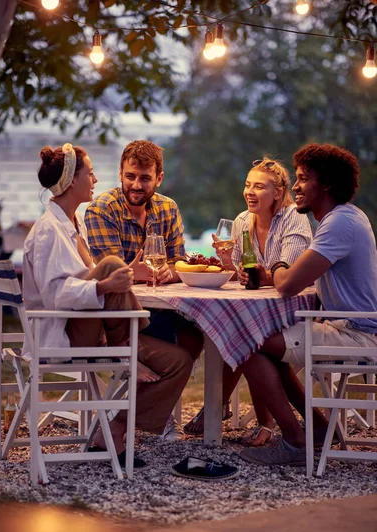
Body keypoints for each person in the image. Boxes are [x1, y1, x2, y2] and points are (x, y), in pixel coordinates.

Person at [23, 143, 193, 467]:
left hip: (92, 327)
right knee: (114, 264)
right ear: (73, 181)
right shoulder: (48, 231)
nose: (96, 179)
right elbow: (55, 294)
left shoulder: (73, 223)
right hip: (64, 335)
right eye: (90, 174)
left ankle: (114, 425)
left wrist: (108, 282)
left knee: (179, 361)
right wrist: (105, 284)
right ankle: (124, 347)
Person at [234, 142, 377, 467]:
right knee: (262, 342)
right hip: (346, 326)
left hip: (360, 335)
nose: (295, 187)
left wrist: (278, 270)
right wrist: (274, 274)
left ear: (325, 184)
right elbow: (291, 278)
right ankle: (319, 428)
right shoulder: (343, 218)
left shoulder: (340, 224)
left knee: (245, 341)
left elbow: (287, 285)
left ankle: (297, 441)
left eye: (302, 179)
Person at [184, 158, 313, 441]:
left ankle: (221, 408)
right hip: (259, 309)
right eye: (247, 185)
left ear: (278, 192)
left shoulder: (294, 217)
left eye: (259, 186)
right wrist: (228, 262)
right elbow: (244, 277)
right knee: (241, 331)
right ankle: (267, 423)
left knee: (242, 334)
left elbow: (286, 274)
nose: (249, 192)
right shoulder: (242, 221)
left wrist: (255, 275)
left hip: (294, 311)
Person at [84, 139, 204, 441]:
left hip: (159, 308)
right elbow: (109, 275)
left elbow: (179, 258)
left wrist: (172, 270)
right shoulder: (101, 210)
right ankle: (142, 417)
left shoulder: (167, 208)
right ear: (120, 173)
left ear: (158, 178)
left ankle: (151, 410)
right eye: (130, 176)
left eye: (144, 178)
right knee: (175, 350)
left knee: (196, 332)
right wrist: (129, 273)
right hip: (116, 320)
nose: (136, 185)